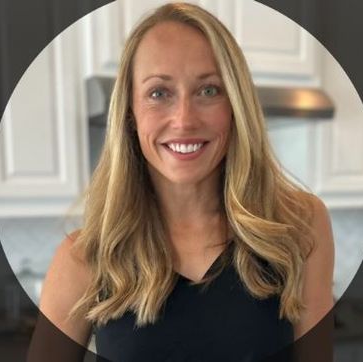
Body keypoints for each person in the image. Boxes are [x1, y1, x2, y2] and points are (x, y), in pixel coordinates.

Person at [31, 2, 334, 361]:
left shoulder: (301, 224)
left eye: (208, 90)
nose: (184, 119)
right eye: (159, 93)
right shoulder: (82, 258)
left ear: (236, 106)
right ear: (130, 112)